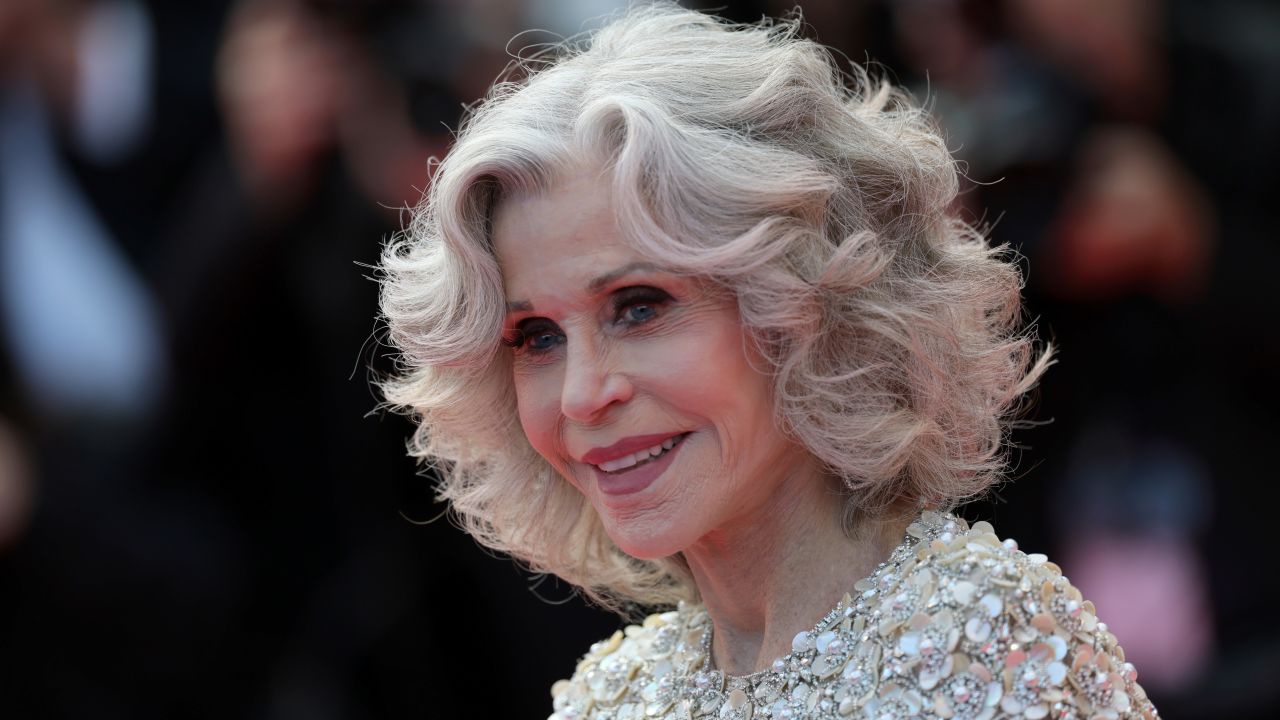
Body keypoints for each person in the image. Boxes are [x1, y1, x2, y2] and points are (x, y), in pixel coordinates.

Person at [376, 4, 1158, 719]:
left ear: (804, 303)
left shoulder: (991, 651)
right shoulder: (608, 700)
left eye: (640, 306)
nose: (582, 394)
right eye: (537, 337)